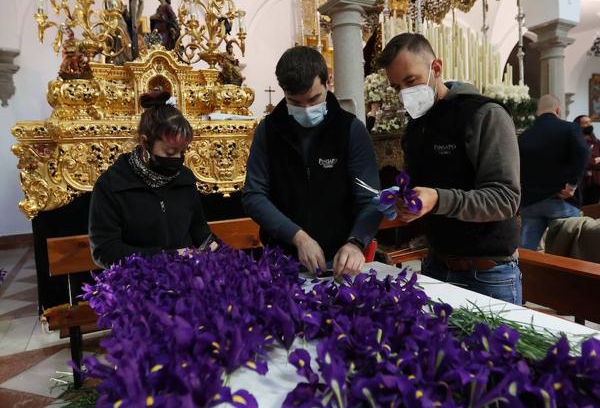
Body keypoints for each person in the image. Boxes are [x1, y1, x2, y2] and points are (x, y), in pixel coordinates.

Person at [378, 32, 522, 304]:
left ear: (436, 68)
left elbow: (505, 199)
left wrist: (437, 199)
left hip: (488, 273)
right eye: (397, 87)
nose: (405, 93)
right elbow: (421, 187)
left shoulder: (484, 115)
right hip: (436, 264)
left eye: (411, 81)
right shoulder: (417, 127)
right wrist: (405, 200)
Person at [242, 46, 382, 278]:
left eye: (314, 99)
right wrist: (298, 237)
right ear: (284, 91)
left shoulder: (350, 129)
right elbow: (254, 196)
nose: (306, 109)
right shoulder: (268, 131)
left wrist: (356, 242)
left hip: (340, 261)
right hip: (282, 260)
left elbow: (371, 198)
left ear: (328, 82)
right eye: (296, 103)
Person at [89, 91, 210, 267]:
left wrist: (223, 254)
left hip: (184, 273)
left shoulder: (185, 179)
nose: (178, 159)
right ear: (145, 142)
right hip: (135, 277)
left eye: (182, 152)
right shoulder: (112, 184)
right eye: (170, 152)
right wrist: (169, 257)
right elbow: (105, 251)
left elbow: (201, 234)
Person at [518, 95, 589, 250]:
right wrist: (572, 185)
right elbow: (583, 153)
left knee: (526, 251)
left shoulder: (524, 135)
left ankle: (526, 267)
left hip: (530, 201)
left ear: (537, 112)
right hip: (561, 198)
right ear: (558, 110)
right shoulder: (569, 128)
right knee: (565, 251)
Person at [573, 114, 600, 206]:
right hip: (579, 184)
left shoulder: (597, 143)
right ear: (578, 126)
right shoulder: (574, 142)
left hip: (595, 183)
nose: (589, 124)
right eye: (585, 123)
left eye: (590, 122)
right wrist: (594, 161)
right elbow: (577, 162)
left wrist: (590, 163)